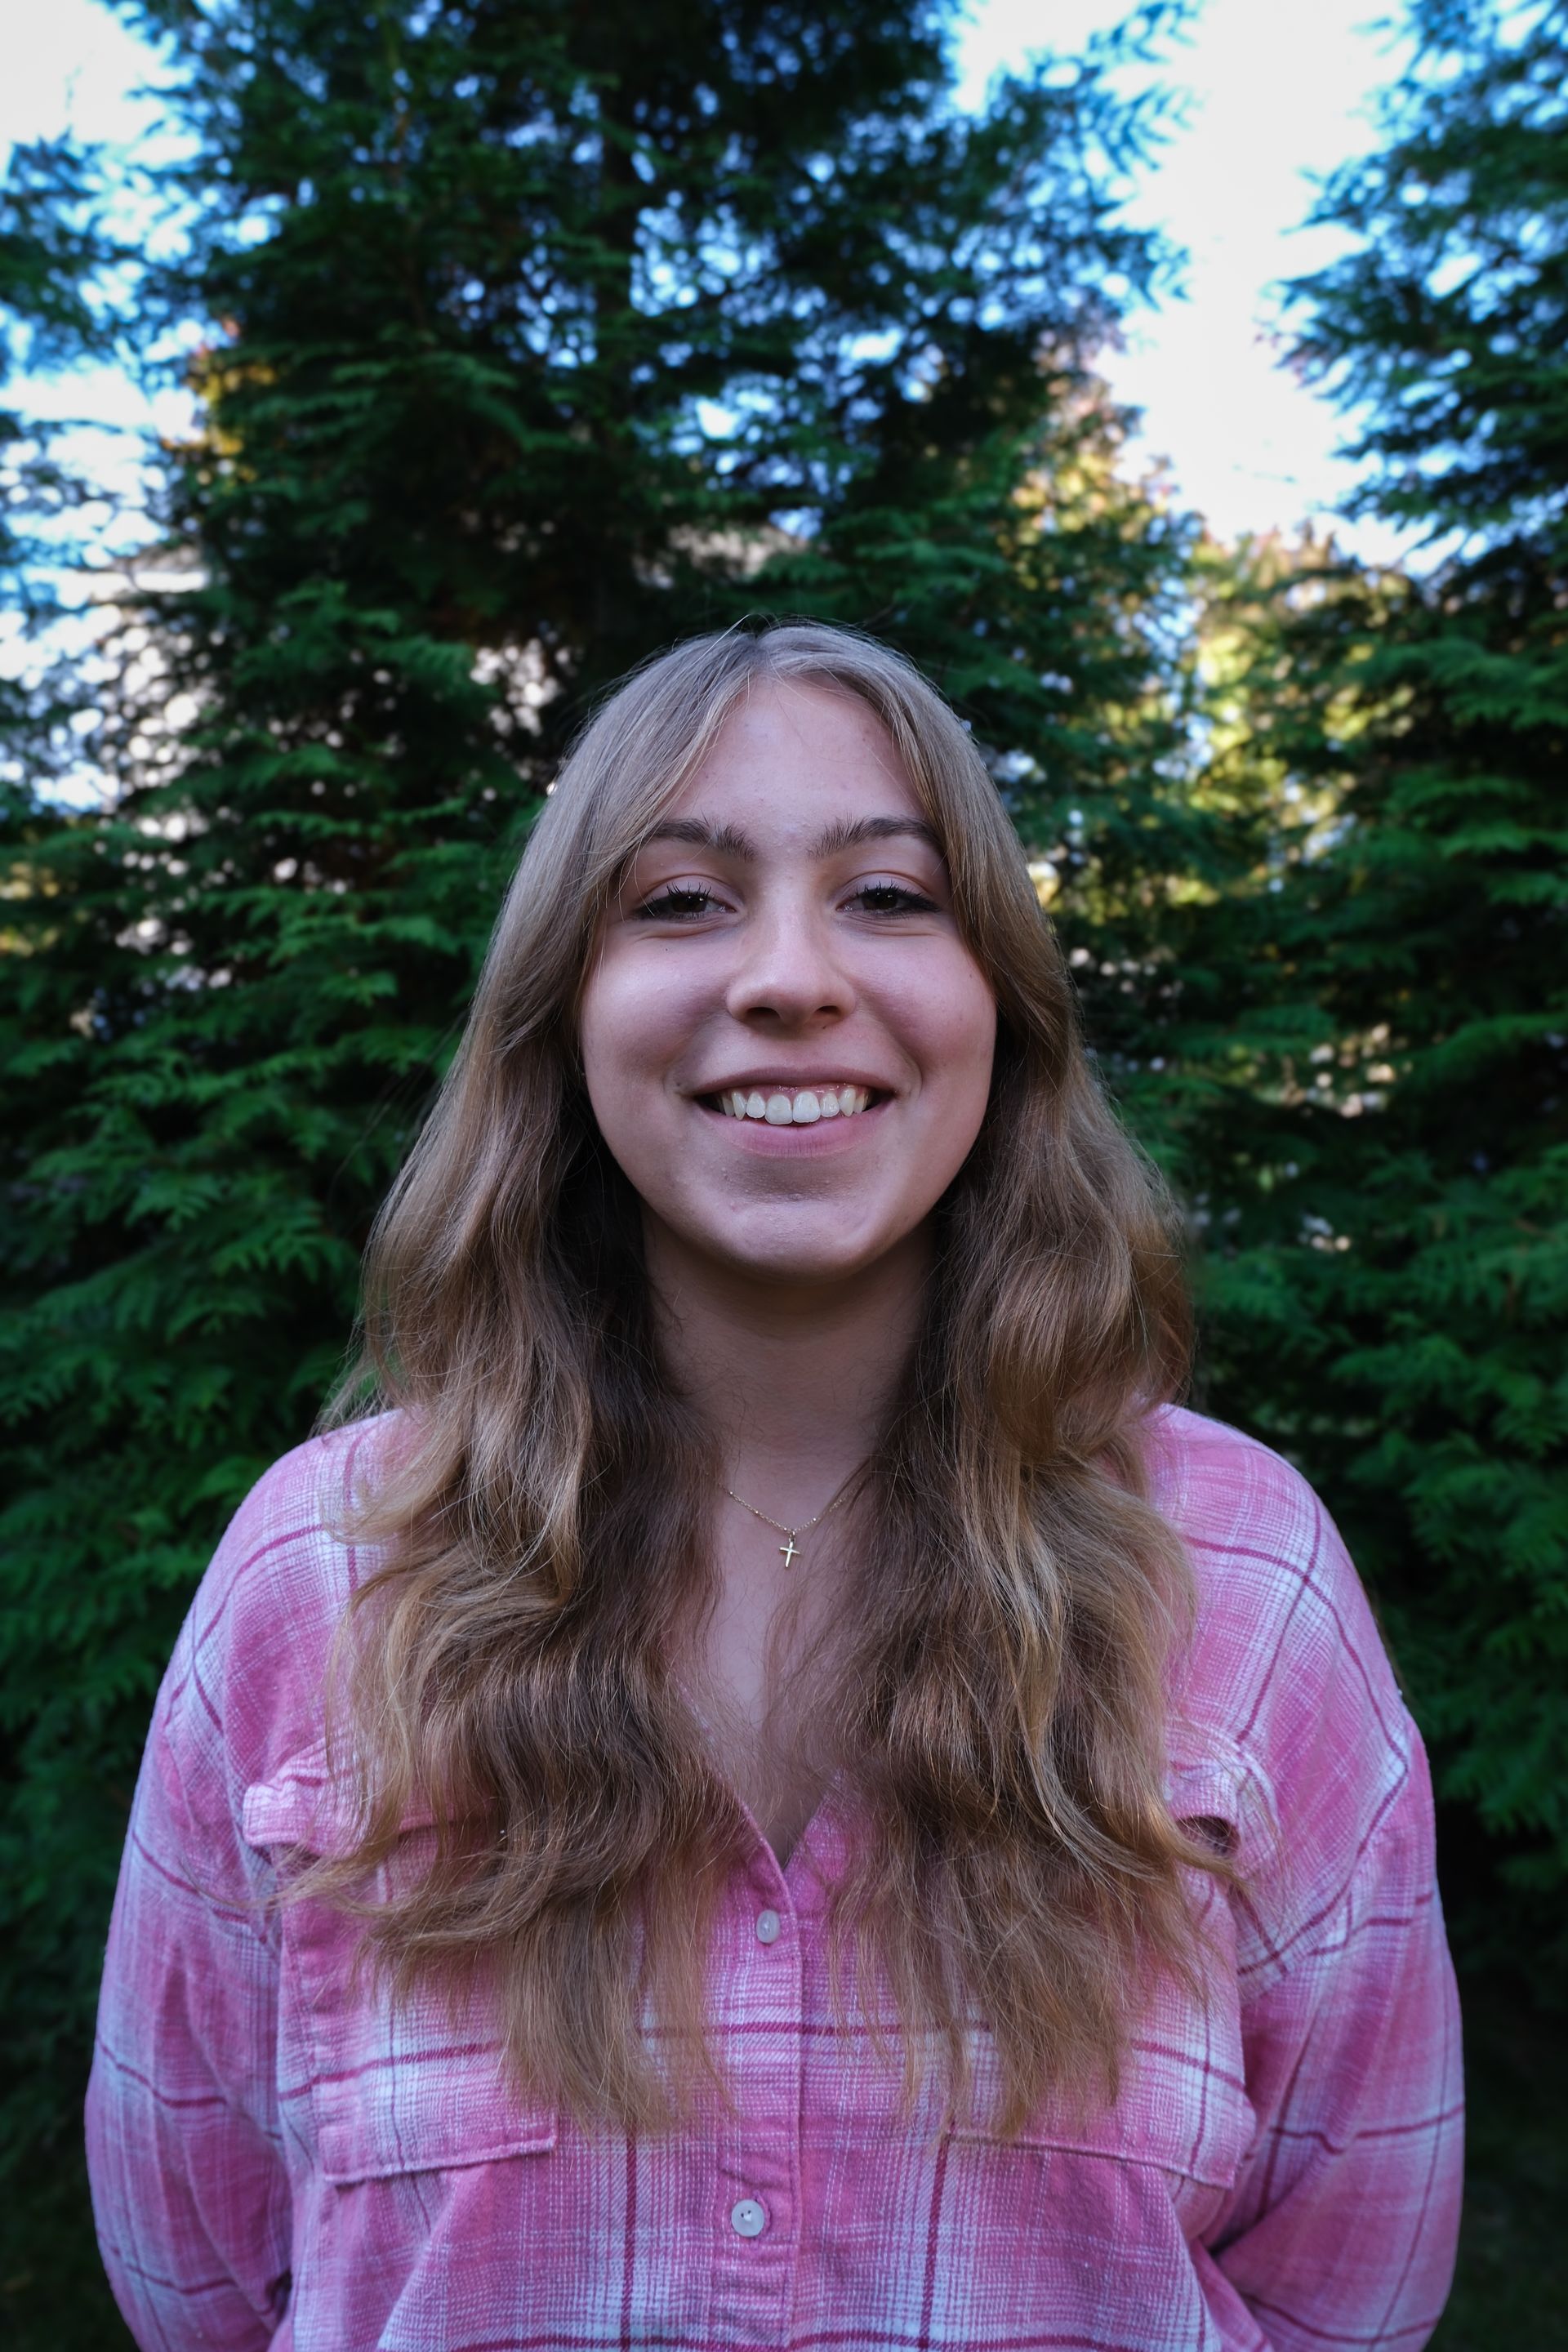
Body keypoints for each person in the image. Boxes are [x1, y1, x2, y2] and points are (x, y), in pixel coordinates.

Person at [87, 621, 1463, 2352]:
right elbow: (201, 2281)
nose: (792, 978)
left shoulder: (1249, 1582)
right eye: (679, 901)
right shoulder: (319, 1575)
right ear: (563, 1010)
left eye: (889, 895)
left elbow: (1347, 2290)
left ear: (1002, 1006)